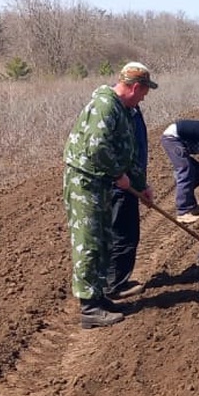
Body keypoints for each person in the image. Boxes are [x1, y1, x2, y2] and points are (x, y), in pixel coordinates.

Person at [62, 62, 158, 329]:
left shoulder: (124, 110)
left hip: (101, 183)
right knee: (89, 243)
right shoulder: (105, 106)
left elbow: (126, 151)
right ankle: (89, 308)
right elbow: (98, 148)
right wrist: (118, 175)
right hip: (85, 183)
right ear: (135, 87)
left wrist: (141, 185)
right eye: (143, 92)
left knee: (104, 240)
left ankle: (100, 296)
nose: (144, 98)